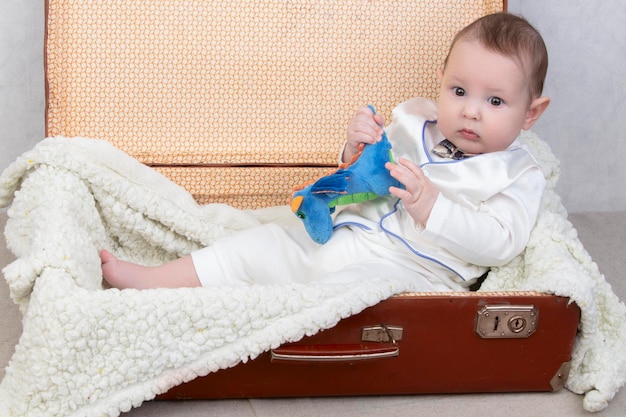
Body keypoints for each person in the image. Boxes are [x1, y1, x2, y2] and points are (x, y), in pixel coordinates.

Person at [101, 12, 550, 292]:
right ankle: (152, 280)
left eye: (495, 101)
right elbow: (358, 175)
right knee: (263, 245)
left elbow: (501, 244)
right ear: (441, 81)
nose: (470, 111)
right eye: (458, 90)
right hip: (344, 234)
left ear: (531, 113)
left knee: (340, 294)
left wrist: (433, 206)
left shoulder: (517, 174)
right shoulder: (416, 122)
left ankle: (249, 315)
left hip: (411, 271)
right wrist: (355, 144)